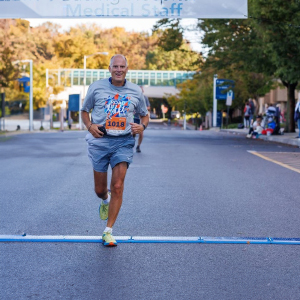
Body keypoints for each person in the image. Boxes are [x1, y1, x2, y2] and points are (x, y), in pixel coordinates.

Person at [81, 54, 149, 247]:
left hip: (124, 142)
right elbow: (84, 111)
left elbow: (144, 116)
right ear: (109, 69)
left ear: (127, 69)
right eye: (115, 66)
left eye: (122, 66)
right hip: (100, 141)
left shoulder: (135, 91)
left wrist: (142, 127)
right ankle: (105, 200)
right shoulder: (96, 87)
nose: (119, 69)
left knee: (117, 185)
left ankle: (108, 231)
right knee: (100, 190)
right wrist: (90, 126)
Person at [134, 86, 150, 153]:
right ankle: (130, 144)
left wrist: (142, 108)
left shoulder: (145, 98)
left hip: (141, 117)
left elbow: (148, 107)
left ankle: (138, 146)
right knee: (133, 133)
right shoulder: (133, 96)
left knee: (141, 132)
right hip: (134, 117)